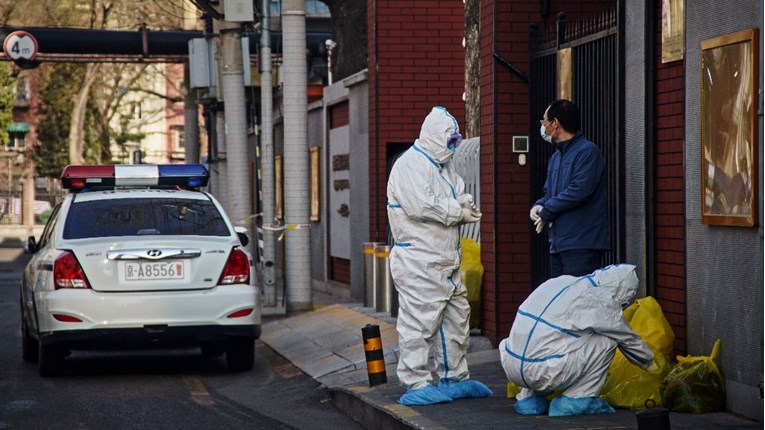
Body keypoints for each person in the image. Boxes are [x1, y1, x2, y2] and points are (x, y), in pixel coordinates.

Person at [386, 106, 492, 406]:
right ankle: (416, 382)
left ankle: (455, 378)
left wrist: (465, 202)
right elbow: (424, 206)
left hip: (446, 260)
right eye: (451, 140)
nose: (454, 146)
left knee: (457, 320)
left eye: (456, 140)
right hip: (419, 261)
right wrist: (458, 211)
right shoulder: (410, 166)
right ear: (434, 137)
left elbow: (454, 193)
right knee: (419, 325)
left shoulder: (442, 165)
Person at [498, 264, 656, 416]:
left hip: (512, 365)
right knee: (608, 341)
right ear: (621, 292)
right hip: (543, 371)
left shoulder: (560, 282)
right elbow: (626, 338)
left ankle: (529, 399)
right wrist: (652, 365)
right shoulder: (598, 298)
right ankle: (577, 399)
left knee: (545, 341)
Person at [530, 99, 609, 278]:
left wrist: (547, 210)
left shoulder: (587, 152)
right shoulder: (556, 158)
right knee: (563, 302)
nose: (543, 127)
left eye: (544, 122)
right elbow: (550, 193)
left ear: (555, 123)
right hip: (559, 244)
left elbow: (578, 191)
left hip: (582, 243)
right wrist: (538, 205)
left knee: (579, 300)